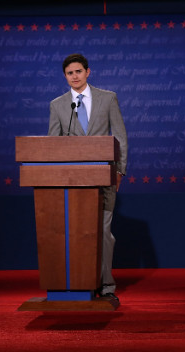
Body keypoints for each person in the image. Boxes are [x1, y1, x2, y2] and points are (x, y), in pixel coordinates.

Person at [48, 53, 128, 301]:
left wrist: (120, 170)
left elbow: (120, 137)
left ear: (88, 72)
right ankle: (81, 283)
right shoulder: (58, 105)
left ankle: (106, 287)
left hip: (103, 178)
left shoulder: (108, 98)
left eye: (78, 72)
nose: (74, 76)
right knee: (76, 232)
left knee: (103, 232)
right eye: (70, 73)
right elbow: (53, 145)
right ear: (65, 76)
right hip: (72, 183)